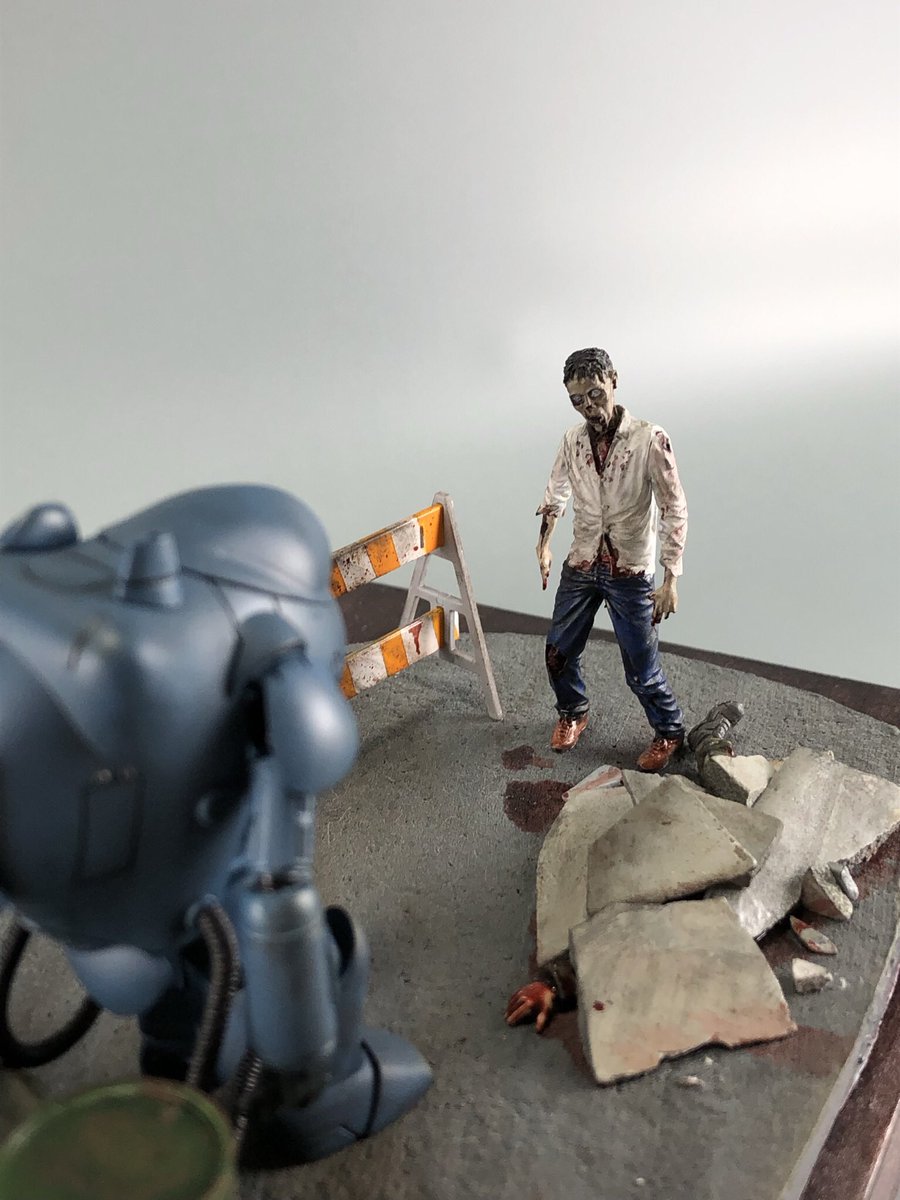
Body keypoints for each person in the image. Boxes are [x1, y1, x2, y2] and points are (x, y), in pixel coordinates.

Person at [536, 347, 688, 770]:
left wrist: (671, 578)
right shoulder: (572, 441)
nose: (589, 407)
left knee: (641, 666)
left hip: (630, 570)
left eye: (596, 395)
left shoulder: (649, 439)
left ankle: (670, 729)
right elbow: (555, 493)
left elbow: (674, 507)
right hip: (583, 561)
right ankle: (573, 710)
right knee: (557, 651)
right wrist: (544, 544)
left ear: (613, 382)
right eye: (577, 400)